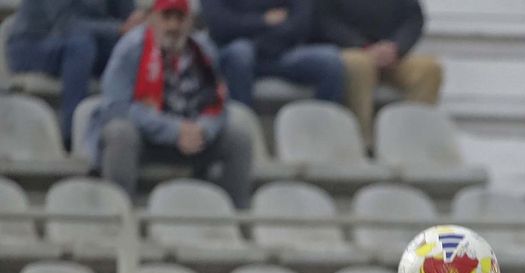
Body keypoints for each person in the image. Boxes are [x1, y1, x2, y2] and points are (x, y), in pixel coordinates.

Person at [91, 0, 254, 209]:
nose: (173, 26)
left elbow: (218, 103)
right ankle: (119, 214)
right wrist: (172, 130)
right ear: (151, 18)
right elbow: (115, 107)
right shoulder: (130, 49)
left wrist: (203, 129)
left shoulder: (203, 50)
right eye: (166, 17)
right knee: (119, 132)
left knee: (238, 136)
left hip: (192, 138)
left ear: (190, 22)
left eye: (180, 18)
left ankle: (236, 216)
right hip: (145, 138)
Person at [4, 0, 141, 145]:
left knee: (132, 48)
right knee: (80, 46)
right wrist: (118, 28)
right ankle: (72, 135)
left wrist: (138, 20)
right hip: (33, 44)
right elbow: (67, 25)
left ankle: (138, 124)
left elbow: (129, 19)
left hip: (88, 42)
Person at [315, 0, 441, 142]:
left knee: (428, 69)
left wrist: (397, 47)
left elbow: (413, 19)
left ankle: (413, 141)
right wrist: (364, 47)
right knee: (359, 65)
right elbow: (325, 21)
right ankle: (361, 142)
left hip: (393, 53)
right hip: (349, 50)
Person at [202, 0, 345, 109]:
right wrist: (263, 20)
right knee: (241, 52)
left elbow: (299, 23)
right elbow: (219, 24)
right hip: (233, 55)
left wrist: (261, 42)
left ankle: (319, 135)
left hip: (279, 52)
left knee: (331, 60)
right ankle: (245, 131)